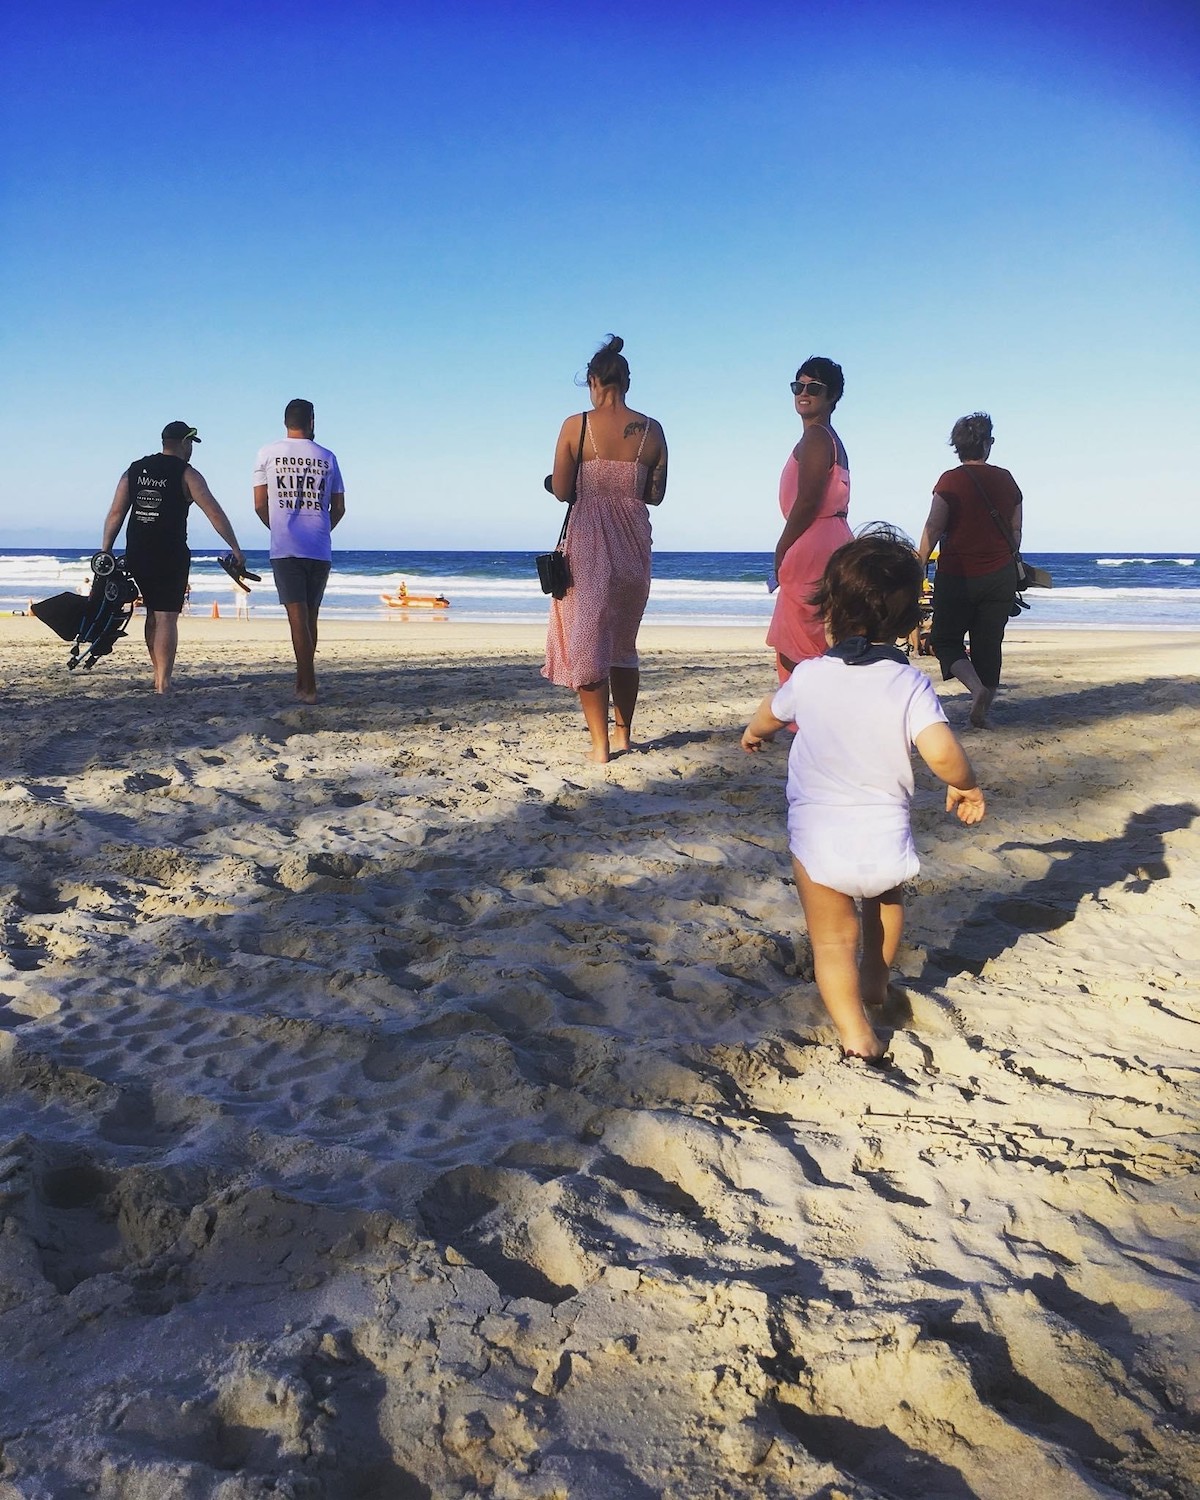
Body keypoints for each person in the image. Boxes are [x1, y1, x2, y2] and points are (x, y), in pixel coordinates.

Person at [742, 528, 986, 1065]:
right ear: (905, 624)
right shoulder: (909, 685)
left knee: (831, 942)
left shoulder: (807, 676)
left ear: (827, 608)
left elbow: (771, 712)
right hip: (883, 833)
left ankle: (855, 1032)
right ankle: (875, 980)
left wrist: (756, 734)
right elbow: (942, 752)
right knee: (885, 906)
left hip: (819, 836)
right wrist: (963, 783)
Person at [542, 335, 667, 762]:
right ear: (628, 381)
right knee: (623, 645)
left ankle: (599, 746)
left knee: (589, 642)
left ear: (593, 380)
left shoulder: (575, 426)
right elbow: (655, 495)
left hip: (590, 543)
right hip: (635, 542)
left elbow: (561, 489)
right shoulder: (653, 431)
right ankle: (625, 735)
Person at [100, 421, 247, 694]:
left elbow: (116, 513)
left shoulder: (134, 470)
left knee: (153, 615)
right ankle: (163, 683)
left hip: (137, 553)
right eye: (190, 444)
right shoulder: (187, 474)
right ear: (182, 443)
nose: (191, 449)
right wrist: (235, 548)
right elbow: (214, 512)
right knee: (167, 617)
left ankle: (158, 675)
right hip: (170, 555)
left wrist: (105, 551)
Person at [917, 412, 1023, 729]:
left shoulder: (950, 480)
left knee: (945, 640)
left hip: (957, 575)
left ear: (957, 446)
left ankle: (975, 689)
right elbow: (1016, 532)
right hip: (999, 575)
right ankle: (983, 710)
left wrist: (920, 563)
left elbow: (934, 526)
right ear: (987, 444)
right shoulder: (1007, 479)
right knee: (988, 645)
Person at [766, 357, 853, 680]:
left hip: (813, 542)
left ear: (832, 396)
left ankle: (807, 718)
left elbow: (808, 501)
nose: (804, 393)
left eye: (813, 388)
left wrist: (782, 547)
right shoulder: (828, 437)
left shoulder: (817, 437)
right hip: (830, 538)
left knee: (799, 644)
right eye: (798, 386)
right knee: (817, 636)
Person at [253, 399, 345, 703]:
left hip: (286, 547)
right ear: (312, 421)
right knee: (310, 618)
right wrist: (319, 530)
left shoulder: (267, 454)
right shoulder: (328, 457)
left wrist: (278, 528)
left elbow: (259, 504)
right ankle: (301, 681)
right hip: (319, 547)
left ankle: (309, 687)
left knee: (297, 618)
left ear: (285, 422)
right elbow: (339, 507)